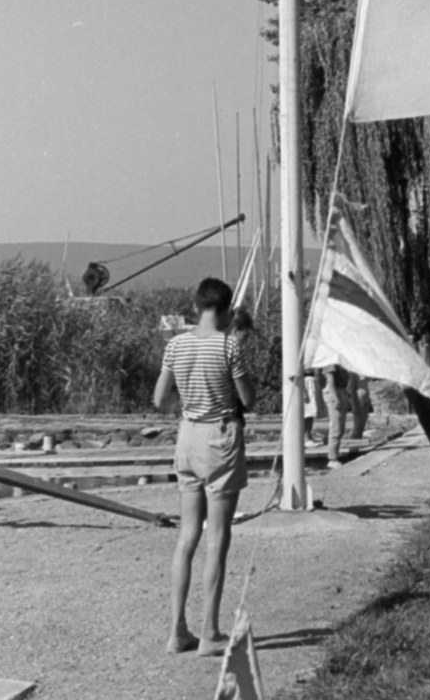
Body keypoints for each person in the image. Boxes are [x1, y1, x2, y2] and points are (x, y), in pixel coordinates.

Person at [154, 276, 256, 658]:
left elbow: (159, 398)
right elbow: (248, 397)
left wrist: (189, 399)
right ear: (227, 309)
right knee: (217, 539)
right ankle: (211, 631)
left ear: (197, 305)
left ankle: (177, 630)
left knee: (186, 538)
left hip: (187, 436)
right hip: (220, 437)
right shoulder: (230, 345)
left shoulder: (175, 345)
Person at [323, 363, 349, 468]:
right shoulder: (330, 359)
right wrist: (336, 397)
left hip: (340, 390)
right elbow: (330, 379)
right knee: (336, 427)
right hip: (334, 391)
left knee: (341, 428)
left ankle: (335, 454)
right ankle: (332, 458)